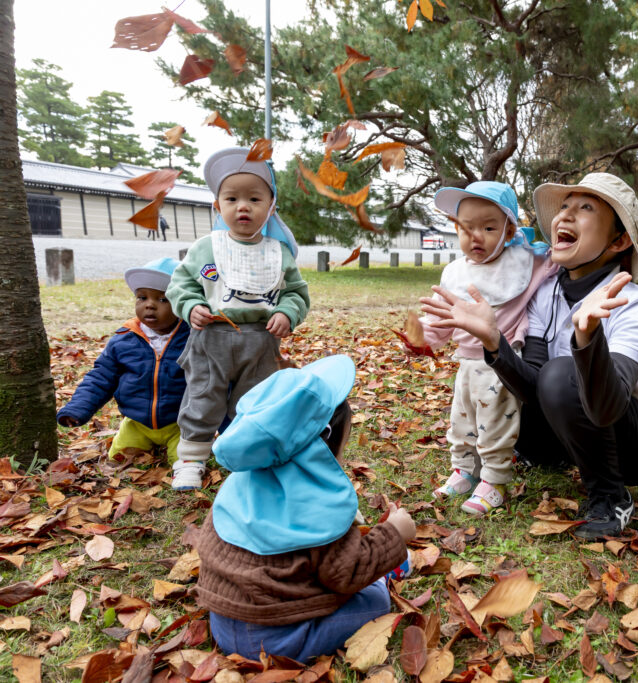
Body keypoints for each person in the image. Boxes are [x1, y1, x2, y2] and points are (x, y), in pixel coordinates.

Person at [421, 173, 638, 539]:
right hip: (576, 425)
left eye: (585, 208)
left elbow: (608, 406)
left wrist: (587, 337)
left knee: (561, 373)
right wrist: (494, 340)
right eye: (564, 207)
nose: (564, 216)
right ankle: (538, 456)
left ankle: (610, 497)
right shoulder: (548, 293)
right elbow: (533, 384)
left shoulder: (634, 305)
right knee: (514, 380)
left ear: (619, 239)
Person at [193, 354, 416, 662]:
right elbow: (345, 574)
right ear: (319, 449)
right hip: (278, 640)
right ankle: (386, 575)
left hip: (223, 619)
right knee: (376, 600)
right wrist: (394, 534)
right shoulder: (318, 506)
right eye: (340, 451)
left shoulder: (240, 482)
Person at [166, 148, 310, 491]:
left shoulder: (279, 252)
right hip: (210, 338)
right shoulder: (206, 247)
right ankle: (191, 458)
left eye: (254, 198)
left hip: (261, 341)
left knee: (256, 399)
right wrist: (190, 306)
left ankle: (247, 454)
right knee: (202, 396)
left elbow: (296, 293)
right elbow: (181, 284)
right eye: (231, 198)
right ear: (218, 206)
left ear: (270, 206)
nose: (242, 206)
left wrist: (286, 313)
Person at [413, 181, 556, 515]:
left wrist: (541, 249)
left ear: (508, 232)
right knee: (461, 420)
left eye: (489, 227)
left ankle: (494, 480)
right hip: (465, 363)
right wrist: (420, 336)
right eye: (467, 228)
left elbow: (557, 259)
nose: (476, 236)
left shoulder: (524, 263)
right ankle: (464, 469)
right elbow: (440, 319)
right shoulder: (455, 273)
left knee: (495, 424)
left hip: (501, 364)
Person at [57, 258, 188, 464]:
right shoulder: (124, 340)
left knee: (187, 464)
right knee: (118, 462)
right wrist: (78, 408)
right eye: (142, 298)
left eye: (163, 299)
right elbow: (101, 377)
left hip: (181, 424)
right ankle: (137, 443)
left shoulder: (192, 339)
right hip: (136, 423)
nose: (150, 306)